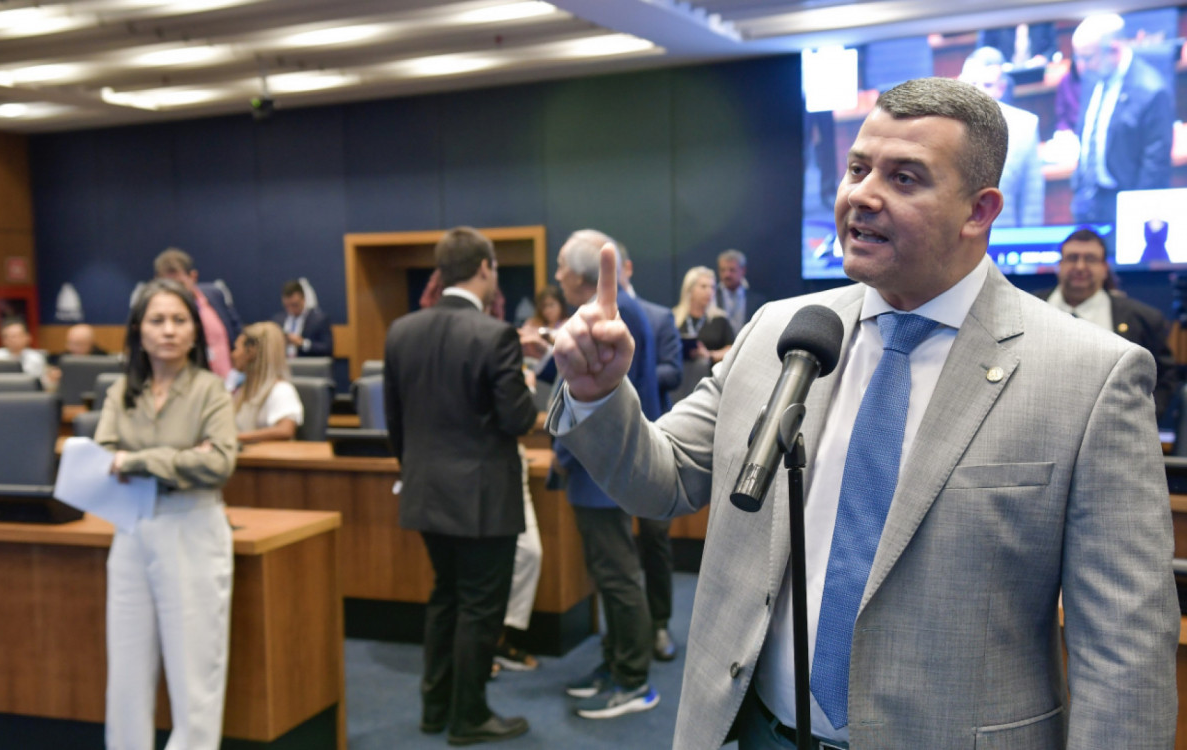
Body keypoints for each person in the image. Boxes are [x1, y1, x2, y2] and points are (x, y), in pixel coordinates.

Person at [549, 77, 1176, 748]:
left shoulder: (1089, 375)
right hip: (759, 732)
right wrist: (596, 393)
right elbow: (663, 478)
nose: (861, 195)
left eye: (904, 178)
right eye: (857, 168)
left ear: (980, 211)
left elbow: (1124, 651)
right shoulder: (778, 333)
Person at [382, 226, 535, 744]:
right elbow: (517, 421)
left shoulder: (401, 330)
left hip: (425, 491)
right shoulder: (496, 334)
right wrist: (529, 386)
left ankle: (434, 708)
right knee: (479, 606)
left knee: (445, 597)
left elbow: (394, 424)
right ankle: (468, 716)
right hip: (483, 499)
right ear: (486, 268)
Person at [95, 278, 238, 750]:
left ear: (196, 333)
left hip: (192, 529)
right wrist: (179, 458)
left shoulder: (211, 390)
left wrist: (138, 461)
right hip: (131, 531)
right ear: (138, 331)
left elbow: (217, 463)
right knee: (127, 672)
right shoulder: (121, 392)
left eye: (180, 320)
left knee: (194, 672)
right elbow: (101, 458)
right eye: (157, 320)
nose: (169, 330)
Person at [554, 229, 662, 719]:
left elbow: (621, 402)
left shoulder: (621, 313)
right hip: (590, 472)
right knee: (607, 575)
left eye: (560, 266)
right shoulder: (593, 315)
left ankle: (634, 682)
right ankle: (613, 665)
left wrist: (567, 452)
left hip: (605, 471)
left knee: (619, 578)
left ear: (580, 274)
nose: (555, 276)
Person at [1035, 227, 1179, 420]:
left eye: (1090, 259)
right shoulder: (1027, 309)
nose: (1080, 266)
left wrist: (1144, 418)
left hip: (1112, 432)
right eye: (1072, 258)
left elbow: (1164, 377)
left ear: (1104, 268)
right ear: (1058, 265)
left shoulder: (1144, 319)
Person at [617, 241, 683, 661]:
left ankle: (659, 625)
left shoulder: (659, 316)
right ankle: (619, 638)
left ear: (627, 266)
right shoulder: (590, 318)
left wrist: (628, 369)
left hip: (654, 438)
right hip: (611, 445)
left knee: (655, 542)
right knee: (614, 552)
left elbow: (673, 371)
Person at [1071, 13, 1174, 225]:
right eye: (1078, 58)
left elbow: (1154, 168)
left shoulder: (1151, 91)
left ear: (1115, 49)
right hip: (1087, 200)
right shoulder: (1094, 77)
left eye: (1087, 57)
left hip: (1124, 205)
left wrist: (1137, 216)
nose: (1081, 67)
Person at [960, 46, 1045, 228]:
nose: (979, 92)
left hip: (1004, 239)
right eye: (972, 84)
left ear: (1001, 88)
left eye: (988, 85)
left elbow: (1032, 201)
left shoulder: (1025, 126)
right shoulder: (944, 125)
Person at [154, 248, 244, 379]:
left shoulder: (215, 294)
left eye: (179, 284)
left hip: (229, 384)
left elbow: (237, 330)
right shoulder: (156, 314)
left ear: (193, 277)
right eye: (166, 284)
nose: (174, 291)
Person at [230, 322, 304, 444]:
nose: (233, 355)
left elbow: (285, 430)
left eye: (237, 348)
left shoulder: (281, 390)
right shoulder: (243, 389)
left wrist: (237, 437)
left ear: (251, 351)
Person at [673, 266, 735, 366]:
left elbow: (732, 349)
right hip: (679, 374)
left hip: (710, 373)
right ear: (690, 289)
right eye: (703, 286)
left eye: (712, 287)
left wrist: (710, 355)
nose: (709, 291)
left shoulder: (720, 319)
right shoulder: (674, 317)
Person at [272, 279, 333, 358]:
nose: (291, 309)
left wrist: (302, 343)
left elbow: (327, 349)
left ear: (303, 299)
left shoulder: (319, 320)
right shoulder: (277, 320)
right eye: (287, 305)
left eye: (295, 305)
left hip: (306, 367)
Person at [716, 249, 766, 331]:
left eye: (732, 270)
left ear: (743, 271)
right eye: (723, 270)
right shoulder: (711, 299)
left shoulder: (757, 301)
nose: (727, 274)